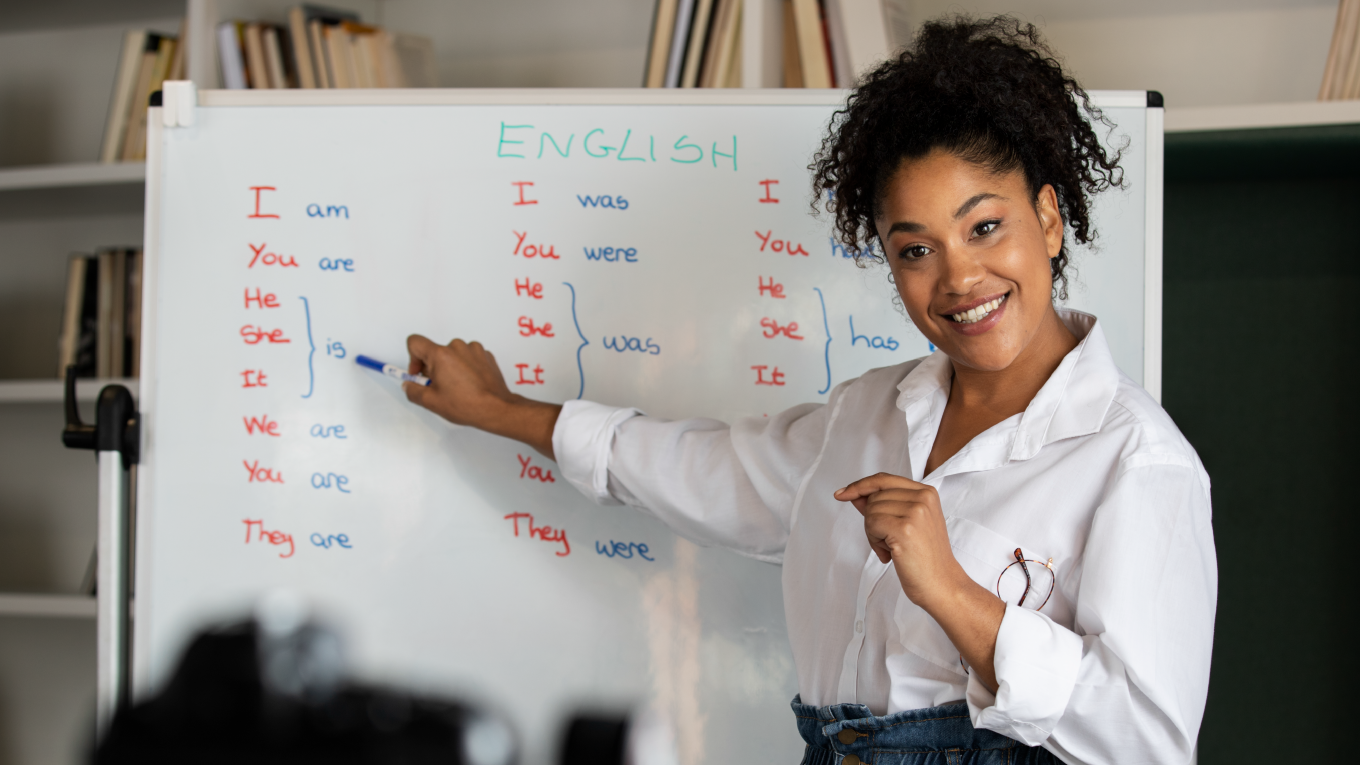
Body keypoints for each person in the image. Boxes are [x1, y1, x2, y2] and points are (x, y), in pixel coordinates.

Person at [402, 16, 1216, 765]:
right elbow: (695, 468)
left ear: (1047, 218)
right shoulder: (866, 414)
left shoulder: (1136, 462)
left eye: (984, 226)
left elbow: (1147, 742)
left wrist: (952, 592)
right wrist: (497, 409)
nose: (959, 276)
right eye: (914, 249)